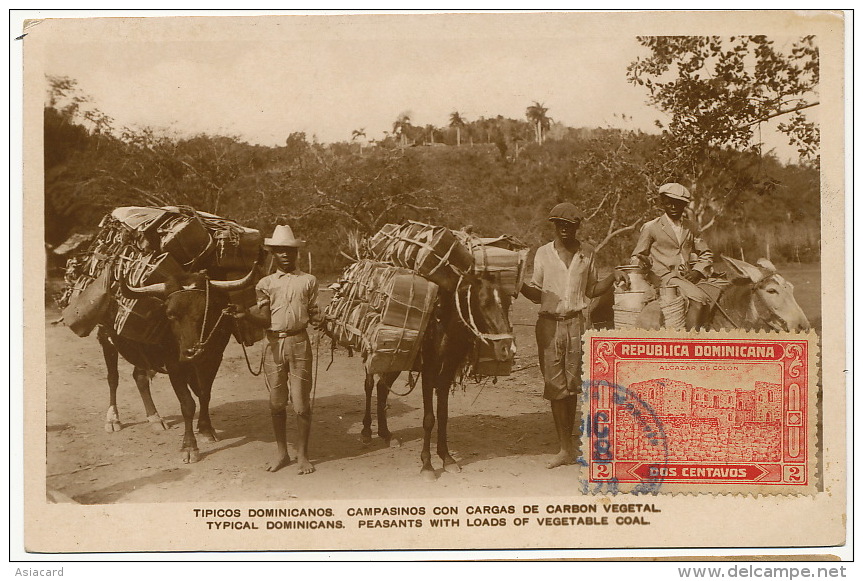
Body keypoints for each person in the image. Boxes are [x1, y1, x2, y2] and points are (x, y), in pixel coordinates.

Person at [520, 202, 625, 469]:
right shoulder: (543, 254)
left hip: (577, 324)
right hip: (549, 324)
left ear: (578, 227)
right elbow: (536, 292)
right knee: (555, 387)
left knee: (573, 383)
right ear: (554, 226)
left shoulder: (587, 254)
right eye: (560, 224)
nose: (565, 229)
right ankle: (564, 447)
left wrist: (613, 276)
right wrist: (517, 285)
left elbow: (592, 290)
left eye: (571, 225)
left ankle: (570, 444)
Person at [233, 224, 320, 474]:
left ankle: (302, 456)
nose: (285, 255)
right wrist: (245, 316)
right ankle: (282, 453)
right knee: (276, 403)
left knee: (302, 404)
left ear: (296, 253)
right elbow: (264, 317)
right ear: (273, 253)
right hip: (273, 345)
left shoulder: (309, 281)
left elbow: (314, 313)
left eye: (289, 250)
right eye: (280, 251)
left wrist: (321, 319)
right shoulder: (265, 284)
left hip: (300, 342)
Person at [630, 183, 717, 330]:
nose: (673, 207)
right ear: (662, 203)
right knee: (699, 299)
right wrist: (645, 266)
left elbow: (706, 253)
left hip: (686, 277)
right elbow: (637, 256)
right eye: (669, 203)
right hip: (663, 276)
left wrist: (697, 271)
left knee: (717, 292)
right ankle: (689, 341)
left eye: (678, 204)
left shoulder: (691, 227)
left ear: (684, 205)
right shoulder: (651, 227)